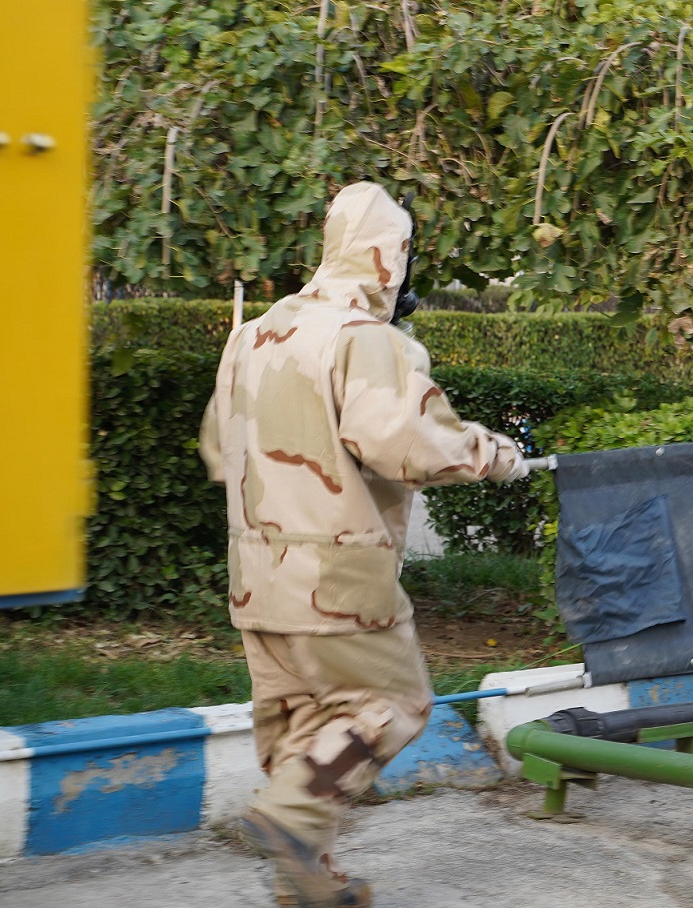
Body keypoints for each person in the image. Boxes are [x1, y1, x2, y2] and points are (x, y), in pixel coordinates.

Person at [200, 182, 529, 907]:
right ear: (391, 256)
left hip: (256, 580)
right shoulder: (368, 342)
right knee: (394, 701)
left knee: (304, 732)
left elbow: (218, 449)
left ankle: (307, 883)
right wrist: (497, 454)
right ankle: (289, 820)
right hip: (339, 575)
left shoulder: (251, 336)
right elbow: (405, 445)